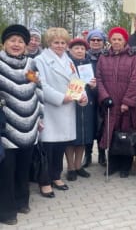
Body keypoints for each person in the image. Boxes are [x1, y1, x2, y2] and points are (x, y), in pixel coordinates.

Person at [35, 27, 88, 198]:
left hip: (67, 109)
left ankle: (56, 176)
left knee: (60, 147)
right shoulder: (40, 60)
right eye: (56, 42)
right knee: (48, 148)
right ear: (49, 43)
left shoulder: (68, 60)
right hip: (51, 109)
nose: (59, 45)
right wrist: (61, 98)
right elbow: (41, 85)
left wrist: (82, 96)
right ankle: (44, 182)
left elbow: (76, 81)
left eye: (63, 42)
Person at [0, 25, 43, 225]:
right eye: (12, 40)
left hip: (30, 126)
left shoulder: (30, 65)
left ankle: (21, 201)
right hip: (6, 129)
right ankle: (7, 211)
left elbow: (38, 89)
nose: (16, 45)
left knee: (23, 169)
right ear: (4, 43)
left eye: (20, 41)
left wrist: (40, 117)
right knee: (6, 171)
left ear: (25, 45)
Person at [96, 27, 136, 178]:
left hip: (126, 105)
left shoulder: (132, 57)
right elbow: (99, 78)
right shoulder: (104, 57)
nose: (116, 42)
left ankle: (125, 165)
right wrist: (104, 97)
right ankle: (113, 163)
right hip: (110, 103)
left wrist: (127, 101)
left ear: (124, 41)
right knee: (111, 133)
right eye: (114, 39)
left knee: (126, 134)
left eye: (119, 39)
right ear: (110, 40)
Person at [65, 38, 96, 181]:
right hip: (71, 104)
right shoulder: (66, 65)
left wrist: (94, 86)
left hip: (86, 104)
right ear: (70, 50)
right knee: (71, 137)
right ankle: (70, 167)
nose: (79, 51)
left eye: (82, 48)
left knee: (83, 137)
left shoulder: (90, 65)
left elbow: (96, 87)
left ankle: (78, 166)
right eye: (76, 48)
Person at [83, 29, 108, 167]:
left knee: (102, 125)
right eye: (93, 40)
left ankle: (102, 154)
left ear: (103, 42)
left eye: (99, 40)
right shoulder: (84, 57)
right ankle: (87, 155)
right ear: (89, 42)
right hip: (87, 95)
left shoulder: (107, 56)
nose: (96, 42)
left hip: (103, 95)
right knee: (88, 126)